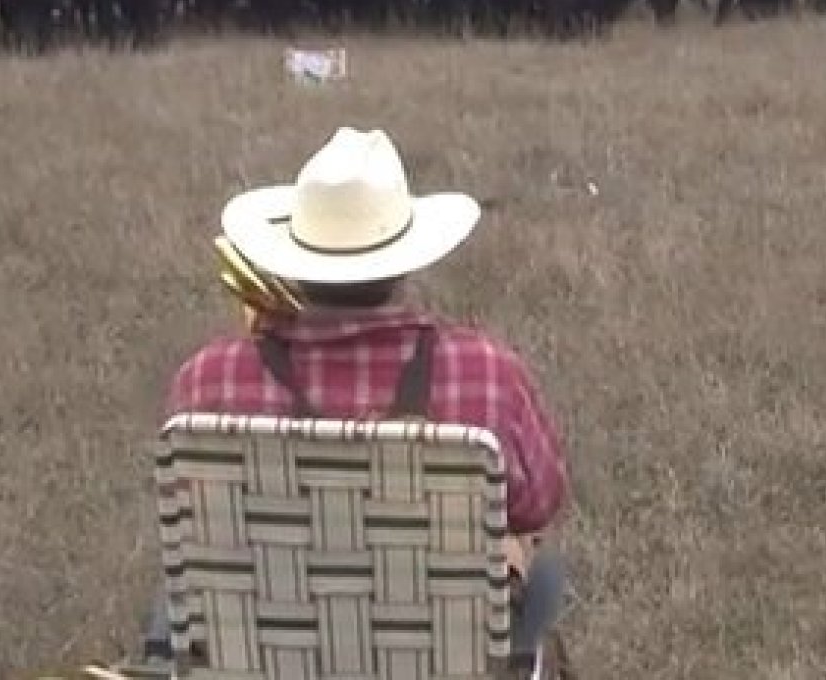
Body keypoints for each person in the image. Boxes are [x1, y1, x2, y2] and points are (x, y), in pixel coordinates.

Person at [142, 126, 570, 673]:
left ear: (296, 256)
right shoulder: (486, 371)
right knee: (546, 572)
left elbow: (193, 526)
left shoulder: (206, 380)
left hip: (261, 661)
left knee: (174, 590)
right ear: (405, 259)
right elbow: (540, 503)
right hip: (440, 660)